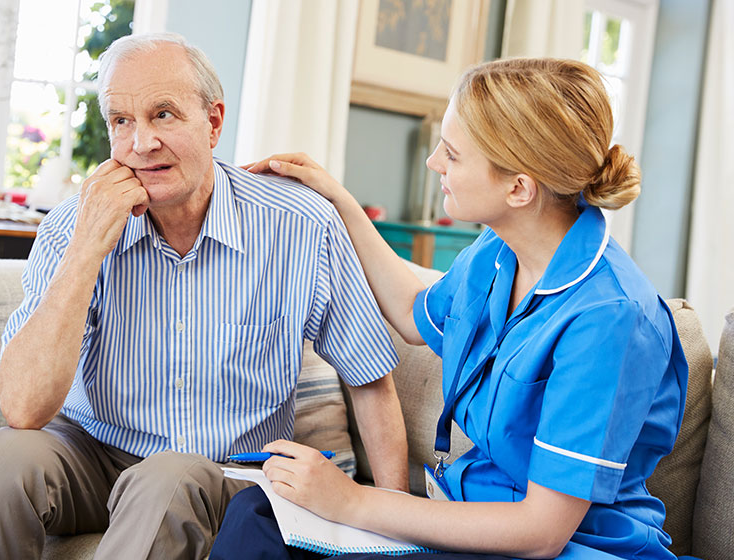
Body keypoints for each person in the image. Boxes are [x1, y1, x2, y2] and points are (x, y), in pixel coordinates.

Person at [209, 58, 689, 560]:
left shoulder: (610, 317)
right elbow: (415, 311)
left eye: (454, 155)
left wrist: (352, 501)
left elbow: (540, 533)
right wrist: (339, 202)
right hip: (469, 510)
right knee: (257, 514)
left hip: (561, 546)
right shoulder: (498, 251)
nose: (434, 161)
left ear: (519, 188)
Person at [0, 32, 409, 560]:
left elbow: (370, 379)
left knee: (168, 477)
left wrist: (391, 520)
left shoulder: (299, 224)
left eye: (163, 115)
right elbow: (22, 408)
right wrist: (86, 251)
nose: (140, 143)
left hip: (219, 470)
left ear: (213, 122)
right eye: (121, 122)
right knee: (0, 459)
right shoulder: (72, 228)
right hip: (95, 453)